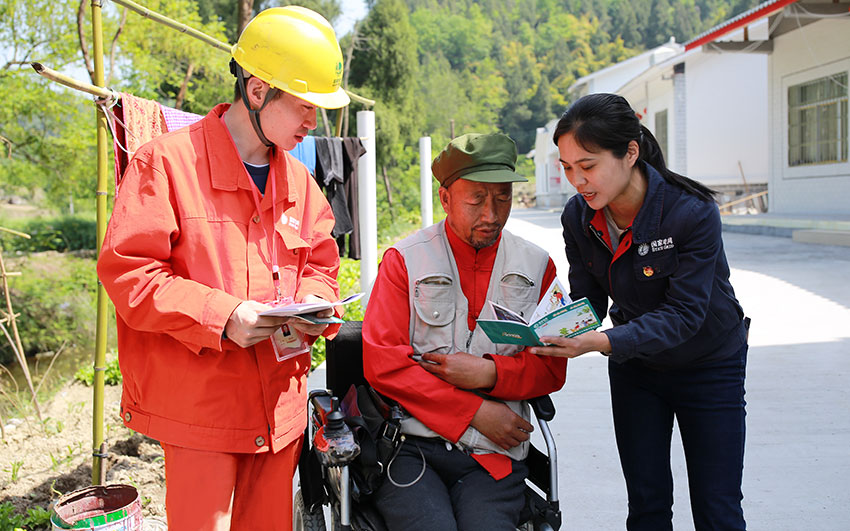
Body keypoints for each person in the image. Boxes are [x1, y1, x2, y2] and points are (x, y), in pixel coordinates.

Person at [97, 7, 349, 530]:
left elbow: (322, 266)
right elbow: (129, 276)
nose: (312, 123)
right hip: (201, 414)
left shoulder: (301, 183)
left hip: (280, 410)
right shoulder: (164, 164)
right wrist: (224, 315)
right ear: (257, 90)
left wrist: (313, 307)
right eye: (305, 106)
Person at [532, 93, 749, 531]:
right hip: (637, 370)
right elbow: (590, 298)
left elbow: (686, 314)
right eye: (567, 167)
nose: (577, 180)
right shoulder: (578, 216)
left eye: (588, 166)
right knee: (647, 506)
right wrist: (549, 328)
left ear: (630, 152)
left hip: (710, 366)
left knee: (717, 508)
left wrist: (604, 341)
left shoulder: (691, 212)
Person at [362, 133, 568, 531]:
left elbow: (552, 366)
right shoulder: (404, 261)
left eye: (503, 198)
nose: (491, 213)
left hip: (495, 454)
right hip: (411, 447)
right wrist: (474, 411)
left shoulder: (538, 266)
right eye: (476, 198)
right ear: (446, 198)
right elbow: (384, 365)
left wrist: (490, 374)